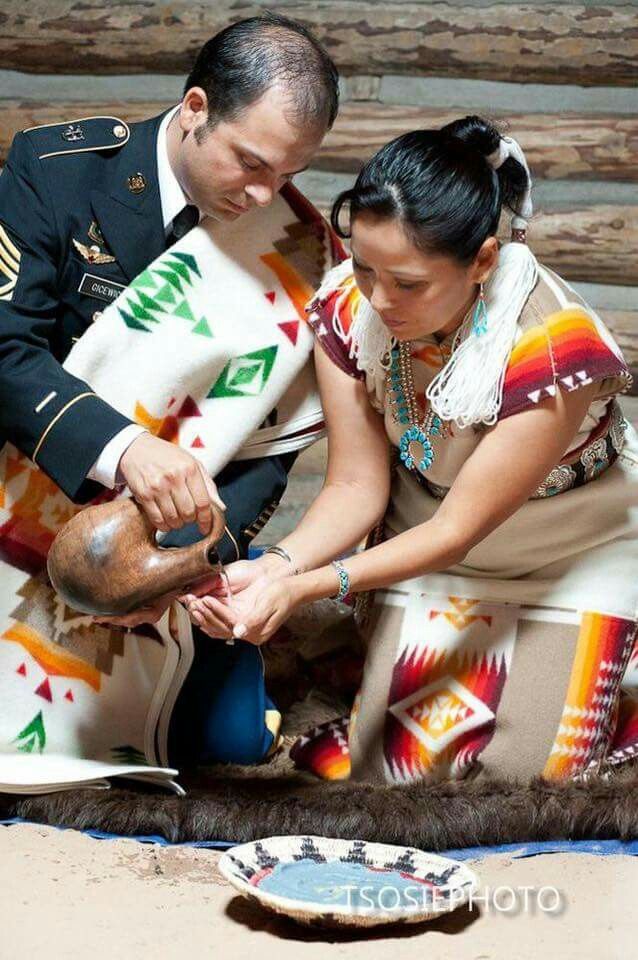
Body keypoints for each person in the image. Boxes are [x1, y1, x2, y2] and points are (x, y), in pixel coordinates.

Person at [183, 116, 638, 785]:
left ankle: (610, 690)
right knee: (386, 770)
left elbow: (459, 532)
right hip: (423, 531)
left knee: (524, 777)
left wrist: (309, 586)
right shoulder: (348, 309)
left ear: (482, 259)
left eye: (408, 282)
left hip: (568, 549)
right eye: (365, 268)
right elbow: (355, 489)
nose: (379, 298)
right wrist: (278, 568)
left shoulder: (550, 345)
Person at [0, 14, 340, 767]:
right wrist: (124, 452)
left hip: (167, 547)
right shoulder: (55, 174)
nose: (263, 196)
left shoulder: (299, 253)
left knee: (224, 746)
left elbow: (266, 451)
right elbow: (5, 350)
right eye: (249, 163)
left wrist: (189, 566)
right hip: (21, 497)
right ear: (194, 109)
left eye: (285, 175)